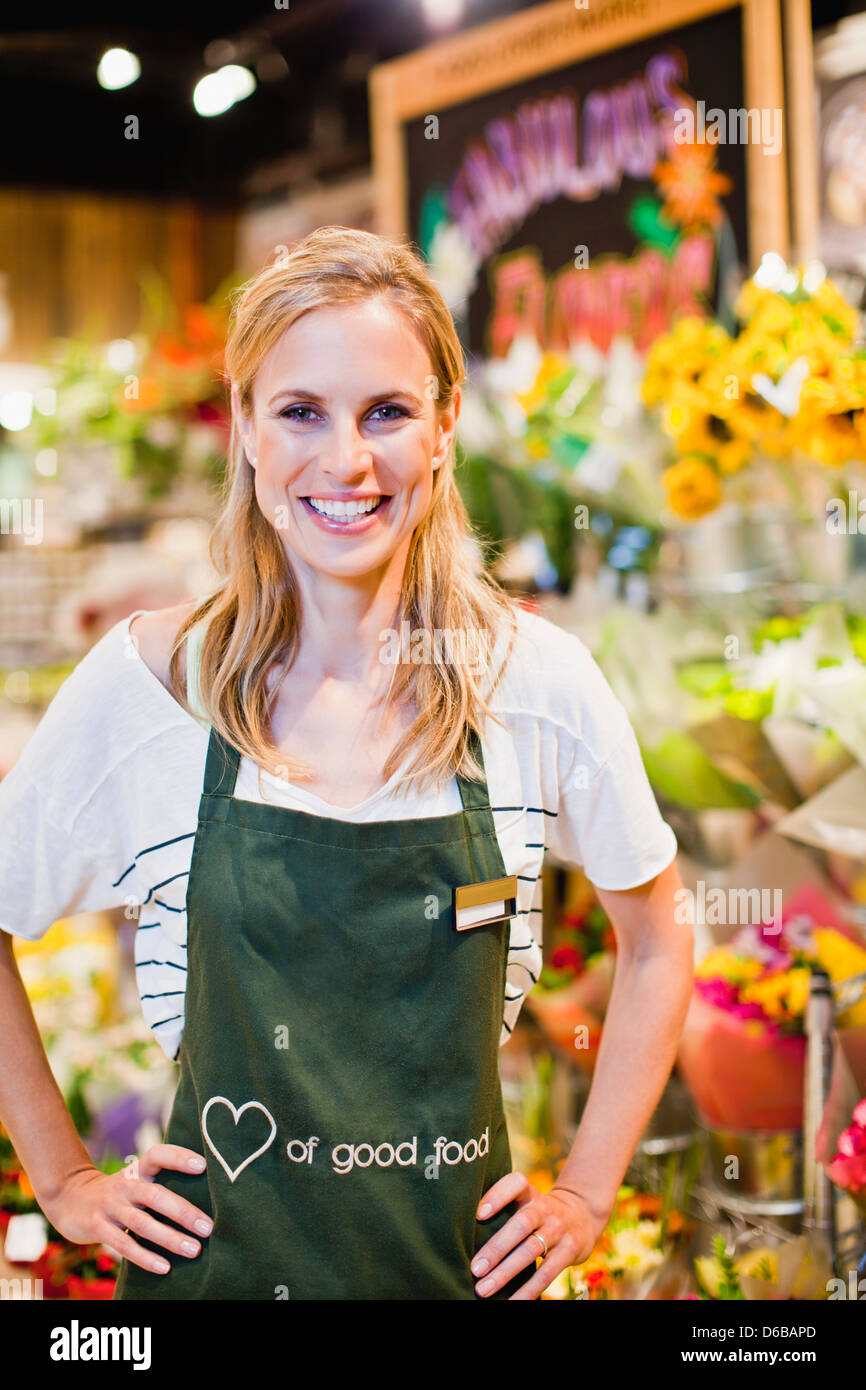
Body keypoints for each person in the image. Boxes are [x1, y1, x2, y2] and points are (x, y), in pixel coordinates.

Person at [0, 225, 692, 1301]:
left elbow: (658, 936)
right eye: (299, 412)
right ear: (244, 425)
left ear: (445, 424)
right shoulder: (148, 688)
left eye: (386, 411)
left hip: (453, 1276)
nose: (346, 462)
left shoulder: (533, 682)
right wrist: (64, 1175)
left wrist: (588, 1192)